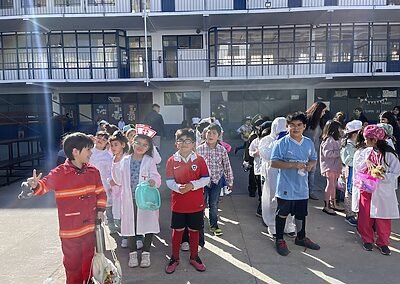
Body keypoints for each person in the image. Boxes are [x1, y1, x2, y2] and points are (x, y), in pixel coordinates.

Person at [22, 132, 107, 284]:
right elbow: (44, 186)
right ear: (75, 152)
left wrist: (100, 210)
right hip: (70, 231)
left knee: (89, 258)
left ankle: (88, 281)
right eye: (88, 149)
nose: (91, 153)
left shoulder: (94, 171)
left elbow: (101, 193)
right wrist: (35, 185)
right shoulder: (60, 173)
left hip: (89, 228)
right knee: (72, 264)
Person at [270, 112, 320, 256]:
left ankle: (301, 237)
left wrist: (310, 165)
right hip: (285, 187)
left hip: (302, 188)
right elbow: (274, 162)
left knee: (301, 214)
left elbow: (313, 159)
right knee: (282, 214)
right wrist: (293, 165)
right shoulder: (281, 143)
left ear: (304, 126)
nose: (295, 128)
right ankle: (279, 239)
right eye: (292, 125)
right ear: (287, 127)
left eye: (299, 125)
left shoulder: (308, 143)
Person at [112, 129, 161, 268]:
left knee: (149, 224)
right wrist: (115, 162)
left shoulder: (149, 160)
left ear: (149, 148)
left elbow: (156, 176)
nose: (140, 146)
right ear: (132, 142)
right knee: (130, 226)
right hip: (129, 199)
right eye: (138, 142)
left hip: (145, 200)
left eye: (145, 145)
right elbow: (117, 179)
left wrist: (153, 181)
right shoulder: (124, 160)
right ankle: (132, 253)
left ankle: (146, 252)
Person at [165, 128, 210, 274]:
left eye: (188, 141)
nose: (184, 143)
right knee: (177, 230)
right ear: (176, 144)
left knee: (194, 230)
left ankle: (194, 257)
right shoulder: (172, 161)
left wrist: (192, 185)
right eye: (181, 140)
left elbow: (206, 178)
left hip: (196, 204)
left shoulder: (199, 159)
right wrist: (178, 188)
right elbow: (169, 181)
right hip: (178, 204)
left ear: (194, 144)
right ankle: (174, 257)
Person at [352, 125, 400, 255]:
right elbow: (357, 168)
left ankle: (383, 242)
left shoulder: (389, 154)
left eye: (367, 139)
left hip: (383, 190)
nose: (365, 141)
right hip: (367, 188)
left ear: (375, 139)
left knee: (383, 217)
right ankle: (367, 239)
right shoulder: (364, 152)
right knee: (365, 215)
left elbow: (396, 172)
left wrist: (382, 175)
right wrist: (366, 164)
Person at [259, 117, 296, 237]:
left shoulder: (292, 140)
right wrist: (278, 141)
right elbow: (266, 155)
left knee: (289, 199)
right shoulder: (266, 140)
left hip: (288, 173)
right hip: (273, 174)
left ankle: (289, 225)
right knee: (272, 198)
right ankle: (272, 225)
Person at [197, 123, 233, 236]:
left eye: (214, 133)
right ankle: (199, 223)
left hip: (216, 181)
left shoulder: (222, 150)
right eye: (208, 133)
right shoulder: (199, 150)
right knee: (200, 203)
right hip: (202, 183)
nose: (211, 135)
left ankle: (214, 225)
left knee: (213, 204)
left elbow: (227, 166)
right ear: (204, 134)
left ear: (218, 136)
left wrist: (230, 181)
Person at [109, 131, 130, 246]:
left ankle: (130, 237)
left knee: (127, 214)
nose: (113, 147)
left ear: (123, 144)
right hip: (117, 191)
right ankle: (124, 235)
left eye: (116, 144)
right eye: (111, 145)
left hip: (125, 190)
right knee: (119, 215)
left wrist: (116, 182)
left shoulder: (126, 158)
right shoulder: (113, 158)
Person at [340, 120, 363, 226]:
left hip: (356, 171)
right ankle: (349, 215)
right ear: (355, 133)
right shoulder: (349, 145)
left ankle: (355, 213)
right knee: (349, 192)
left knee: (355, 191)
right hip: (350, 170)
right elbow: (346, 160)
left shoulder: (355, 143)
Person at [304, 101, 327, 200]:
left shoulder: (319, 122)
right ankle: (305, 191)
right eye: (323, 111)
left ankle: (310, 191)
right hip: (305, 150)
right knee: (304, 171)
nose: (324, 113)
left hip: (315, 150)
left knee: (312, 172)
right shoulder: (307, 120)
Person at [320, 120, 344, 215]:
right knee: (330, 185)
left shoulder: (335, 139)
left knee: (333, 185)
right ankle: (326, 205)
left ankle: (333, 203)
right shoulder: (329, 140)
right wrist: (340, 152)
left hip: (334, 166)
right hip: (329, 166)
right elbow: (328, 154)